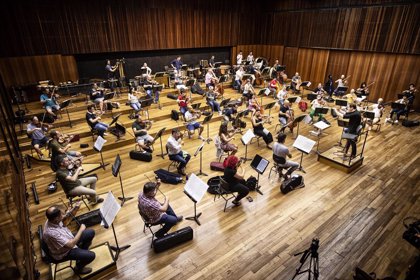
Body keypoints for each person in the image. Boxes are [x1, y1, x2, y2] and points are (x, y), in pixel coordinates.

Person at [43, 202, 96, 274]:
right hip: (64, 252)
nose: (63, 215)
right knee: (91, 256)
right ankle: (78, 268)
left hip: (67, 238)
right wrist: (81, 229)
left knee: (90, 232)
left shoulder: (52, 219)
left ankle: (81, 256)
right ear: (56, 219)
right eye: (61, 215)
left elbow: (65, 219)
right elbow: (70, 245)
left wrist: (75, 208)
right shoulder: (51, 233)